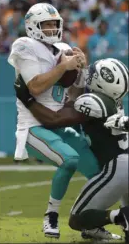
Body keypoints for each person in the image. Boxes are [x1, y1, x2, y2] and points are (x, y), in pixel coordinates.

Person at [8, 3, 100, 238]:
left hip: (58, 124)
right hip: (33, 126)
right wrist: (63, 67)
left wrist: (80, 69)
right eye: (46, 24)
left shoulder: (62, 47)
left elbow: (75, 94)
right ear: (32, 26)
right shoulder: (24, 45)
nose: (51, 28)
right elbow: (35, 86)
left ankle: (89, 221)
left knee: (98, 173)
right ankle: (51, 215)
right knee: (69, 160)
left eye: (54, 24)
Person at [14, 58, 128, 241]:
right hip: (123, 160)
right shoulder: (112, 101)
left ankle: (121, 216)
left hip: (116, 167)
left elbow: (54, 119)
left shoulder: (94, 101)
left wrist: (28, 99)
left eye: (93, 74)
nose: (88, 75)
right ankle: (116, 221)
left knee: (77, 219)